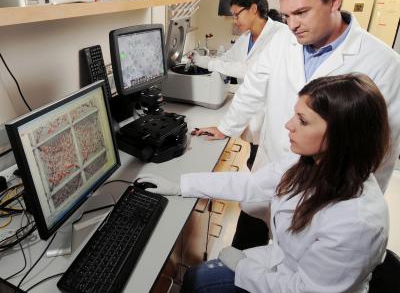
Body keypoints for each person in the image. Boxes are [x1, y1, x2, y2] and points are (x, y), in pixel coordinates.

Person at [192, 0, 400, 250]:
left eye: (302, 13)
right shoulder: (282, 41)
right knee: (246, 242)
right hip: (272, 166)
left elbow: (383, 149)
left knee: (297, 265)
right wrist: (226, 127)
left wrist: (358, 214)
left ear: (334, 1)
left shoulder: (382, 62)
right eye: (287, 15)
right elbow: (253, 87)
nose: (292, 25)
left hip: (325, 193)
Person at [139, 74, 390, 293]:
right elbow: (249, 184)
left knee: (201, 281)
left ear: (342, 136)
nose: (288, 125)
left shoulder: (357, 223)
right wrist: (180, 185)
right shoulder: (310, 163)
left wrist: (244, 267)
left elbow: (304, 291)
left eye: (302, 121)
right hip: (284, 264)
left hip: (297, 287)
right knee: (197, 275)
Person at [192, 0, 286, 153]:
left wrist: (207, 63)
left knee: (269, 166)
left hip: (274, 119)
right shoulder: (245, 38)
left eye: (237, 14)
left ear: (253, 9)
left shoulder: (280, 34)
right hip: (250, 113)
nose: (234, 21)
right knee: (253, 159)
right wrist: (201, 60)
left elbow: (249, 71)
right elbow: (227, 59)